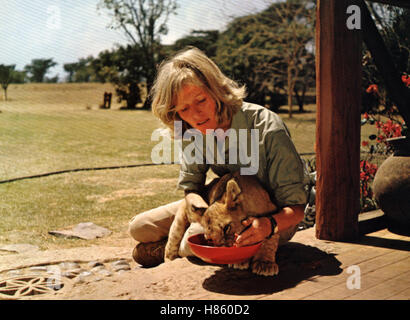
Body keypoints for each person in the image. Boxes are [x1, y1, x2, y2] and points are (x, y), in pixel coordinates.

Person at [129, 47, 308, 267]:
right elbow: (192, 187)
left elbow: (297, 209)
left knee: (190, 242)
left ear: (216, 91)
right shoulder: (191, 128)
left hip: (271, 218)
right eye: (184, 109)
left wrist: (268, 225)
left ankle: (163, 251)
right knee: (139, 226)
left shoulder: (268, 128)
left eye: (201, 100)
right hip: (219, 207)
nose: (195, 115)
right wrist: (195, 203)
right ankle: (163, 247)